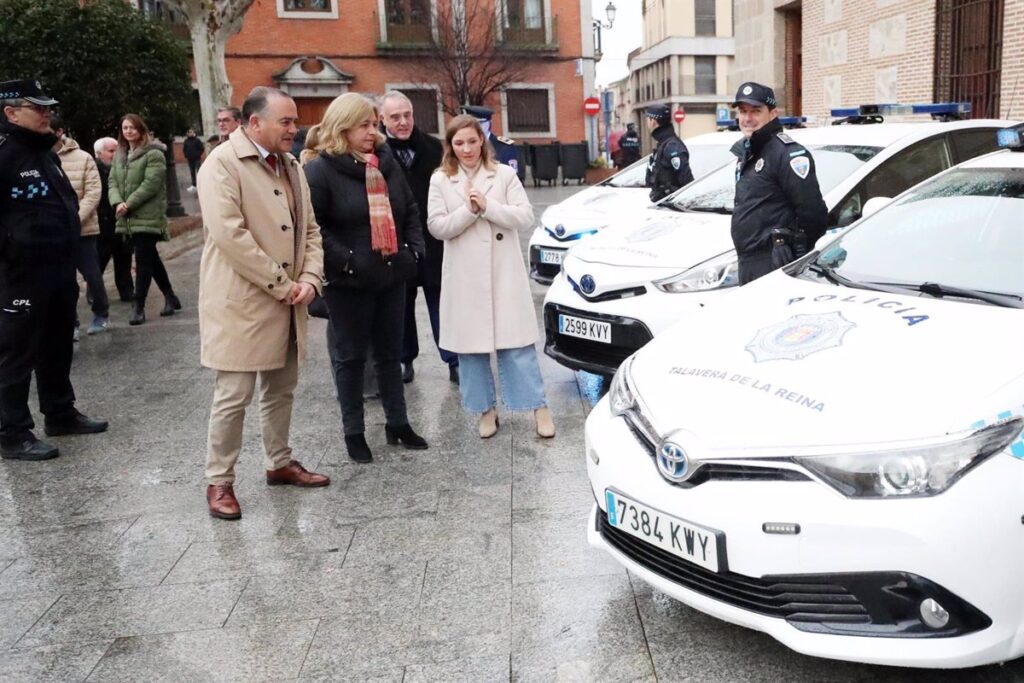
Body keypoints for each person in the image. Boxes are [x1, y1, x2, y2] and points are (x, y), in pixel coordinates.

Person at [197, 86, 330, 520]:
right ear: (254, 123)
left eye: (295, 121)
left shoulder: (292, 165)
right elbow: (230, 236)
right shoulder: (220, 164)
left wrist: (309, 278)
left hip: (289, 300)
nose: (295, 128)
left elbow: (310, 230)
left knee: (282, 389)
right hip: (241, 303)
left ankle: (279, 462)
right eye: (286, 122)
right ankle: (220, 481)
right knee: (233, 395)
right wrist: (283, 283)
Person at [304, 92, 428, 464]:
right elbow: (315, 227)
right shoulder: (320, 170)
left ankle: (398, 423)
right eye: (364, 125)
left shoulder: (385, 163)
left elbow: (408, 209)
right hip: (349, 282)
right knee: (351, 357)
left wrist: (414, 252)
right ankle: (354, 432)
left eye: (374, 124)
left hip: (392, 275)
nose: (372, 132)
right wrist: (351, 262)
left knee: (390, 354)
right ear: (343, 127)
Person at [427, 115, 554, 440]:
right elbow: (437, 227)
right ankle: (485, 410)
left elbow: (525, 217)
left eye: (472, 141)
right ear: (450, 146)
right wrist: (469, 212)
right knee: (471, 349)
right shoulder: (441, 179)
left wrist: (487, 207)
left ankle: (538, 407)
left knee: (517, 346)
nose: (466, 148)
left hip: (503, 272)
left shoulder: (504, 174)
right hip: (465, 277)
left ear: (481, 140)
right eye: (459, 143)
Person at [0, 79, 108, 461]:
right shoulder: (6, 154)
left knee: (57, 344)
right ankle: (12, 432)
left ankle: (59, 412)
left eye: (48, 107)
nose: (48, 113)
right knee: (15, 354)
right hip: (20, 275)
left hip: (58, 268)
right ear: (10, 113)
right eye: (38, 108)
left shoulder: (44, 152)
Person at [380, 91, 457, 386]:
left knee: (441, 305)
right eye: (395, 117)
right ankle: (405, 360)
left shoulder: (433, 147)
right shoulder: (376, 150)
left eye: (407, 115)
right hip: (396, 243)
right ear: (382, 119)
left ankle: (453, 361)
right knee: (401, 306)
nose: (403, 122)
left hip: (433, 241)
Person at [730, 82, 828, 285]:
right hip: (749, 261)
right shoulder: (748, 151)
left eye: (756, 111)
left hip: (773, 263)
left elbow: (813, 214)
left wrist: (791, 250)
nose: (747, 119)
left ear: (773, 114)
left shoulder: (787, 154)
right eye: (743, 111)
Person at [109, 113, 182, 325]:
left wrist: (128, 203)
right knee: (150, 258)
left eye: (132, 127)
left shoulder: (154, 154)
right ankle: (170, 296)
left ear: (141, 130)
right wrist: (117, 202)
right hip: (127, 216)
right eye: (125, 128)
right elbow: (112, 181)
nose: (128, 131)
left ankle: (138, 306)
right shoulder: (120, 154)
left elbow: (151, 184)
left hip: (147, 214)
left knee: (142, 261)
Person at [53, 116, 108, 336]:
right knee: (63, 279)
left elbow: (94, 192)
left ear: (59, 132)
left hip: (83, 229)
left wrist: (75, 219)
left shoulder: (83, 158)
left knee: (92, 275)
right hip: (55, 231)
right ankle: (70, 322)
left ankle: (101, 313)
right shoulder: (39, 158)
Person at [93, 137, 134, 303]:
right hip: (103, 221)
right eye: (111, 151)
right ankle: (94, 290)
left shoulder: (123, 168)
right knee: (100, 259)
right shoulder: (95, 170)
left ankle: (126, 289)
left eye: (117, 150)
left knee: (124, 256)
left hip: (121, 219)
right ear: (99, 154)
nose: (115, 154)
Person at [644, 104, 693, 202]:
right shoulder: (663, 143)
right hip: (663, 203)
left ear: (653, 122)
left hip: (672, 206)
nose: (647, 123)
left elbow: (686, 181)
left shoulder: (672, 146)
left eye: (647, 119)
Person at [460, 105, 519, 173]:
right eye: (470, 124)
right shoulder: (463, 146)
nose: (475, 127)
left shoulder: (504, 146)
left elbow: (512, 176)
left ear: (489, 123)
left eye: (479, 123)